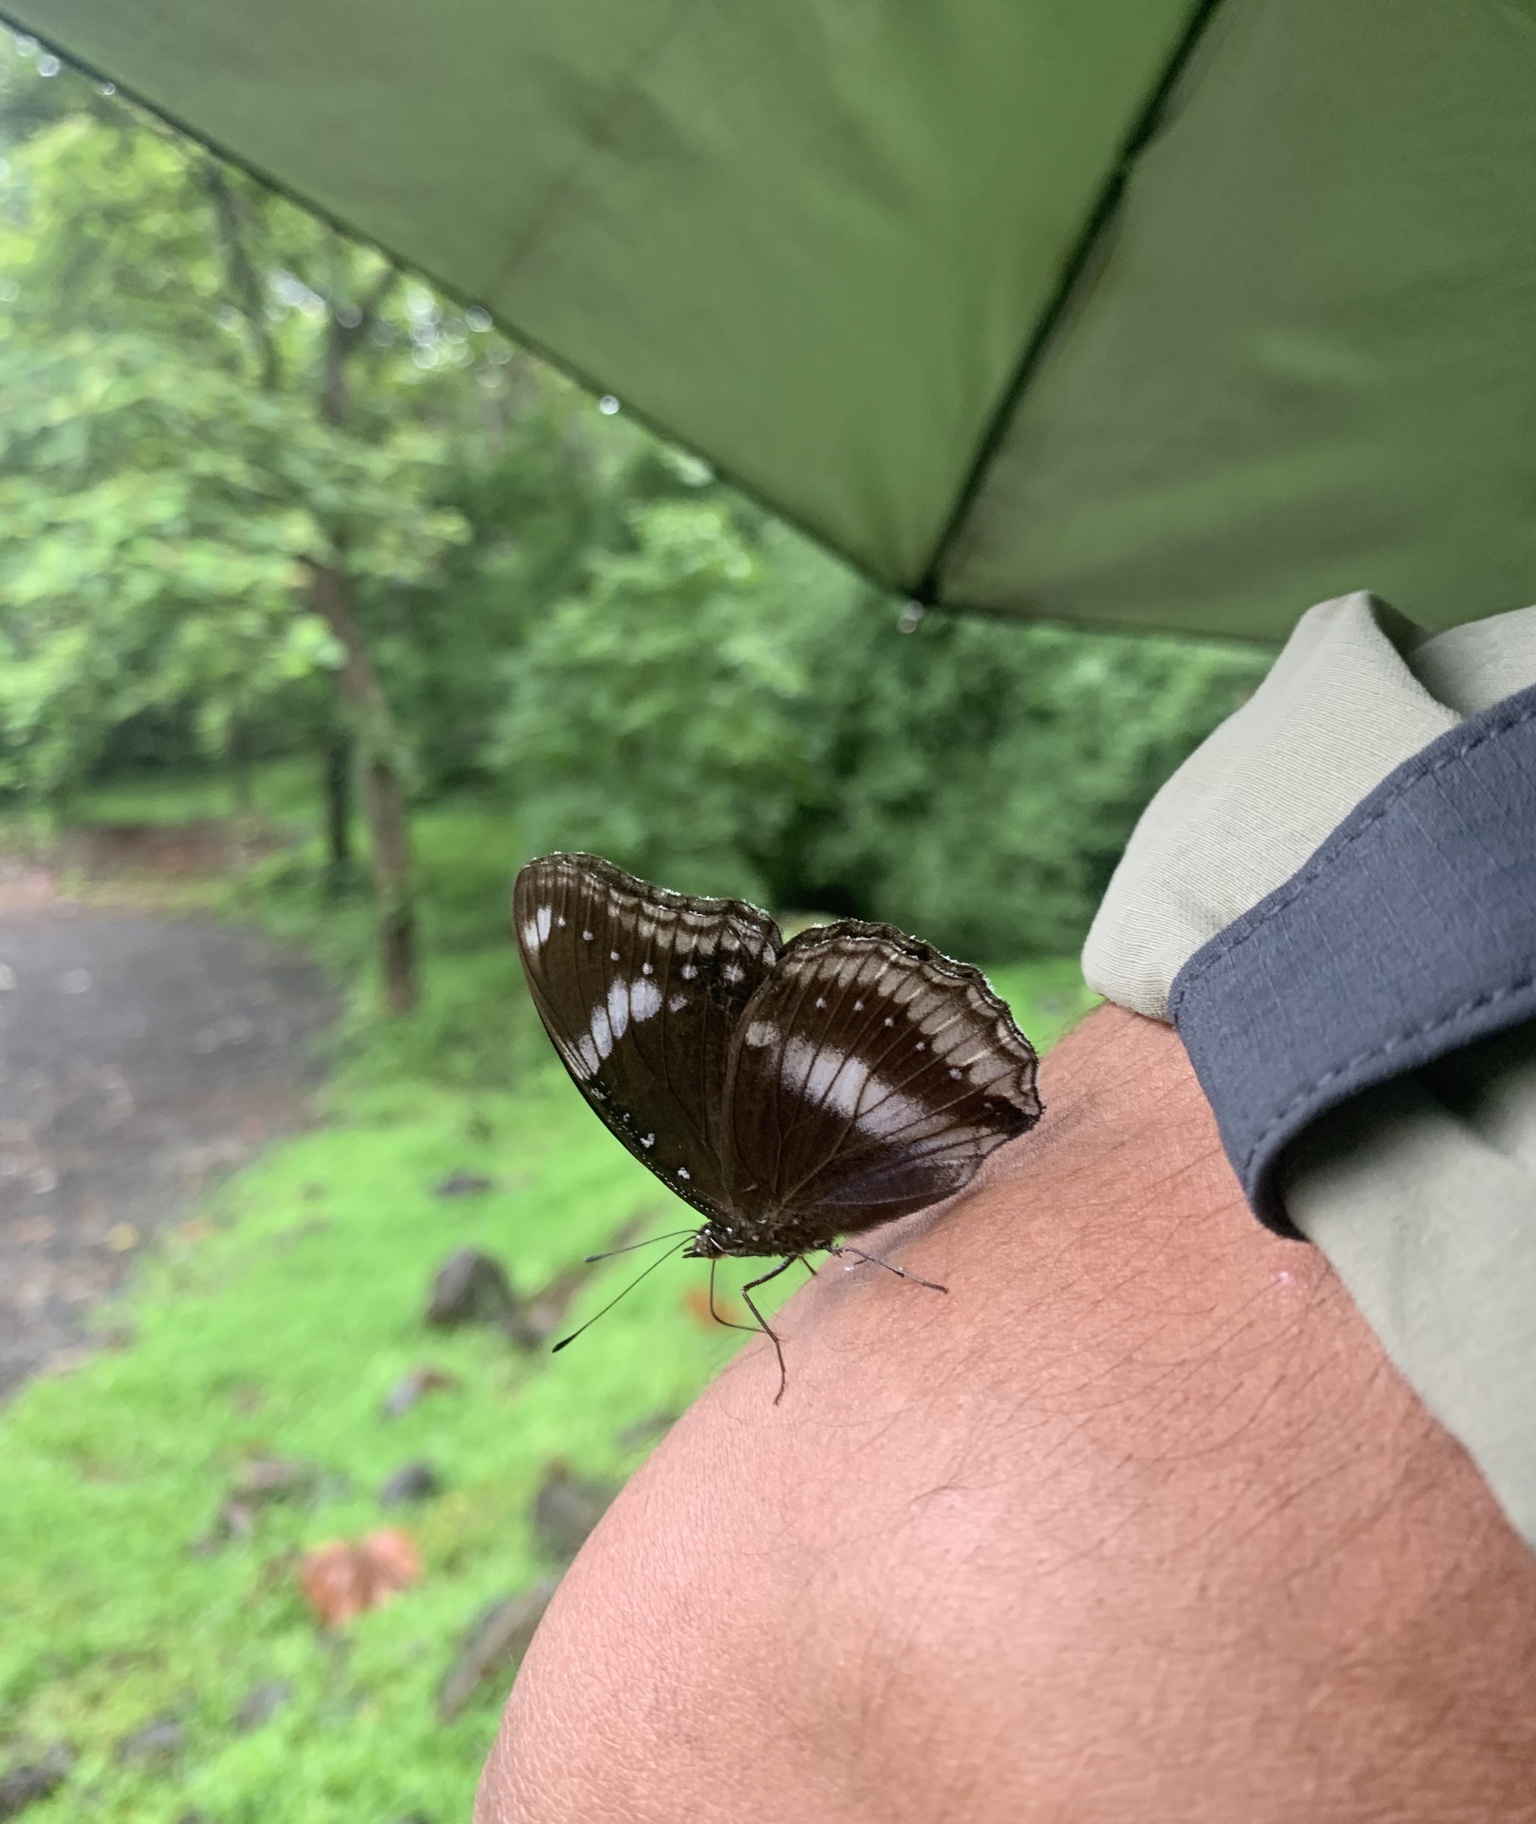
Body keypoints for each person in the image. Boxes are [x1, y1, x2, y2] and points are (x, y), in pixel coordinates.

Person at [477, 593, 1536, 1823]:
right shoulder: (748, 1205)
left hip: (874, 1066)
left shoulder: (737, 1175)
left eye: (717, 1240)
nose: (722, 1246)